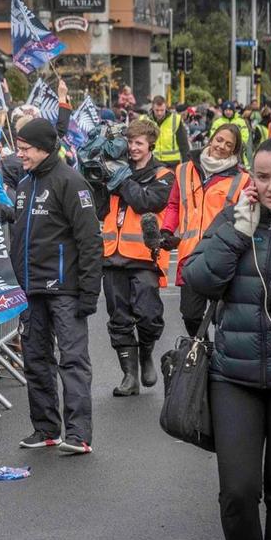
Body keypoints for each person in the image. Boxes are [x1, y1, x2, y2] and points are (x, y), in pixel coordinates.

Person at [182, 137, 271, 540]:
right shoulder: (233, 217)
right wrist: (236, 230)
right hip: (233, 374)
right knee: (237, 492)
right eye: (263, 176)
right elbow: (198, 280)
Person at [10, 118, 103, 454]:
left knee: (73, 360)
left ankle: (78, 434)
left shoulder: (71, 182)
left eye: (26, 149)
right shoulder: (24, 186)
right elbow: (19, 238)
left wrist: (89, 291)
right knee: (35, 359)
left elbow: (90, 240)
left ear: (45, 148)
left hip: (65, 289)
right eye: (18, 148)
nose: (20, 155)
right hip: (31, 290)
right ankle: (46, 429)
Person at [99, 119, 174, 396]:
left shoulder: (164, 175)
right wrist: (97, 171)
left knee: (149, 315)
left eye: (138, 143)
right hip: (113, 255)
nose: (132, 148)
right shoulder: (117, 169)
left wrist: (123, 180)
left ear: (150, 145)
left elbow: (147, 203)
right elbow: (98, 208)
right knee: (118, 317)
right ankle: (129, 376)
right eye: (129, 142)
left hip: (144, 256)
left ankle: (146, 355)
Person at [160, 124, 250, 336]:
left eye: (229, 144)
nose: (222, 146)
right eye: (219, 139)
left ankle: (219, 356)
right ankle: (203, 350)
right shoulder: (183, 170)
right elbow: (174, 205)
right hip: (191, 256)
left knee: (223, 316)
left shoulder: (243, 180)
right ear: (211, 138)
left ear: (235, 151)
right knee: (190, 315)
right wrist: (166, 230)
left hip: (223, 255)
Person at [142, 95, 190, 166]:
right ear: (152, 108)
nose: (159, 113)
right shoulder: (144, 120)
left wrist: (186, 163)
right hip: (151, 161)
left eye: (162, 110)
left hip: (172, 163)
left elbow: (183, 144)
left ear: (166, 108)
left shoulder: (175, 119)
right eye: (157, 110)